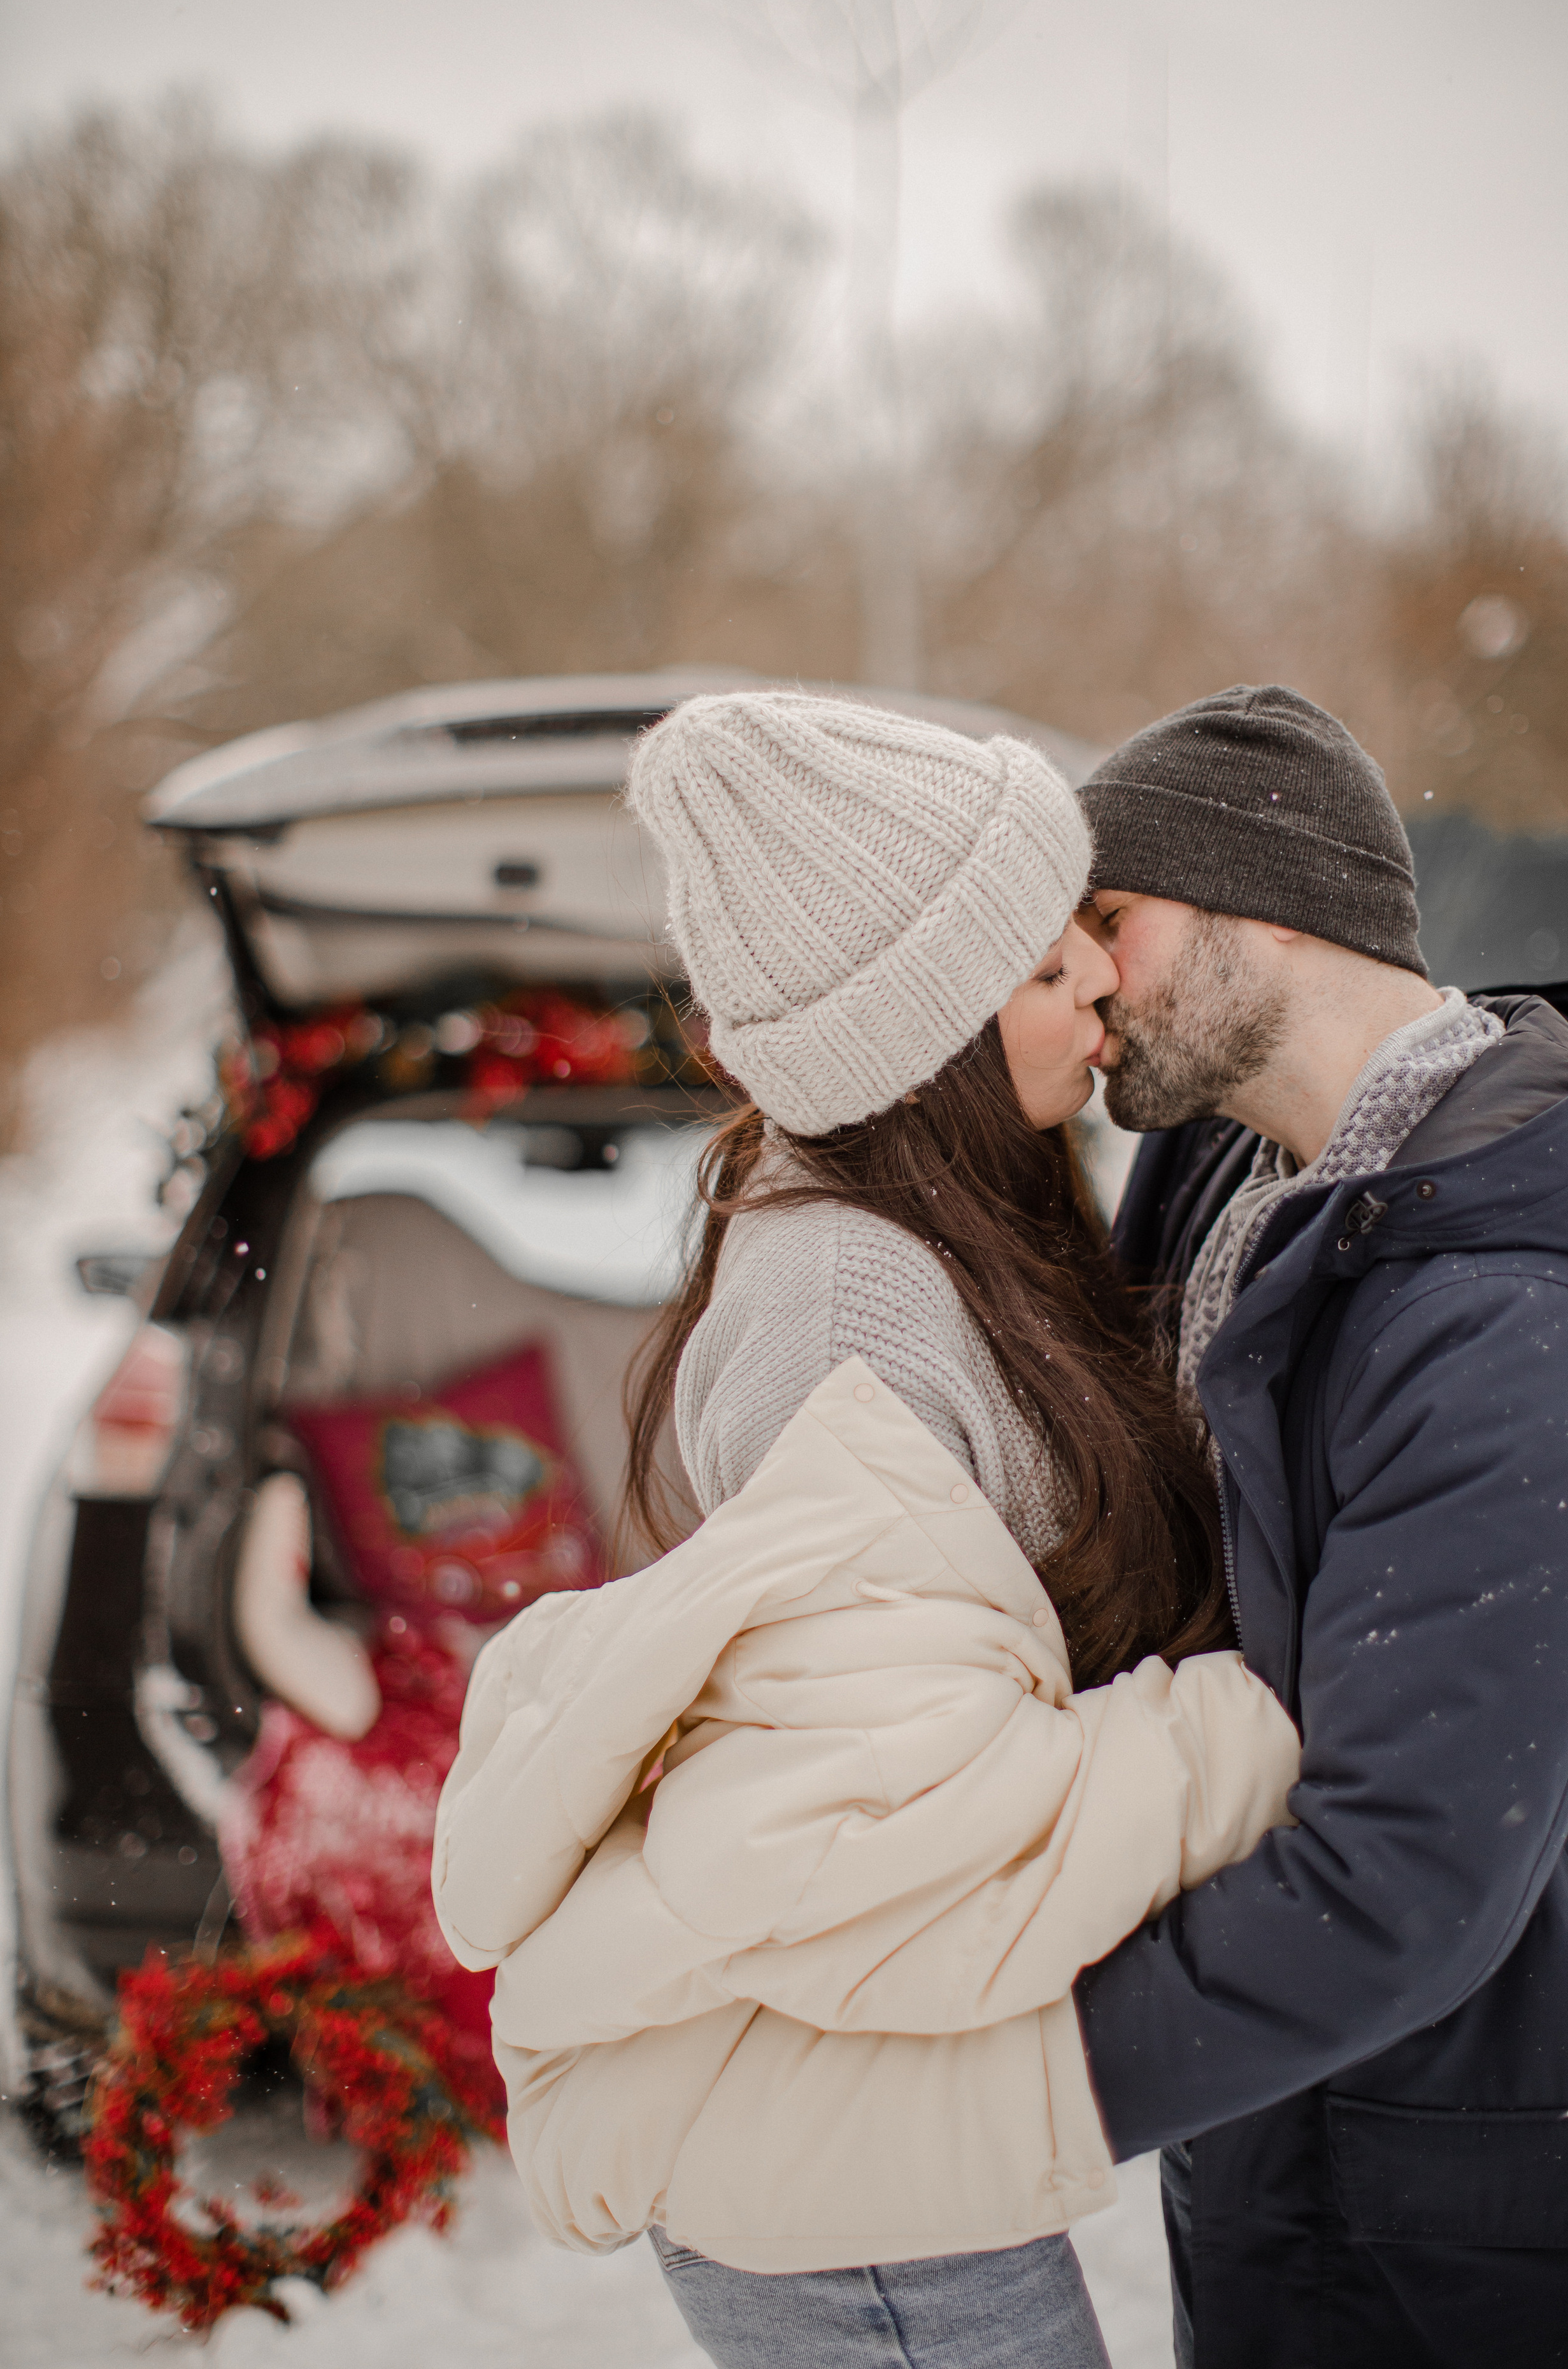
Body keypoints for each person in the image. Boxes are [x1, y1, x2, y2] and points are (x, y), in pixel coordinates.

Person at [433, 691, 1302, 2369]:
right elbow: (879, 1836)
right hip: (826, 2174)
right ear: (931, 1041)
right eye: (1049, 968)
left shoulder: (951, 1229)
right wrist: (1275, 1721)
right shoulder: (850, 1312)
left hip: (855, 2114)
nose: (1105, 979)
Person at [1071, 684, 1568, 2369]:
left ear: (1265, 900)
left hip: (1466, 2234)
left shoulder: (1509, 1311)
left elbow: (1404, 1872)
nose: (1085, 976)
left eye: (1112, 919)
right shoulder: (1233, 1214)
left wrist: (993, 2091)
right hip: (1272, 2164)